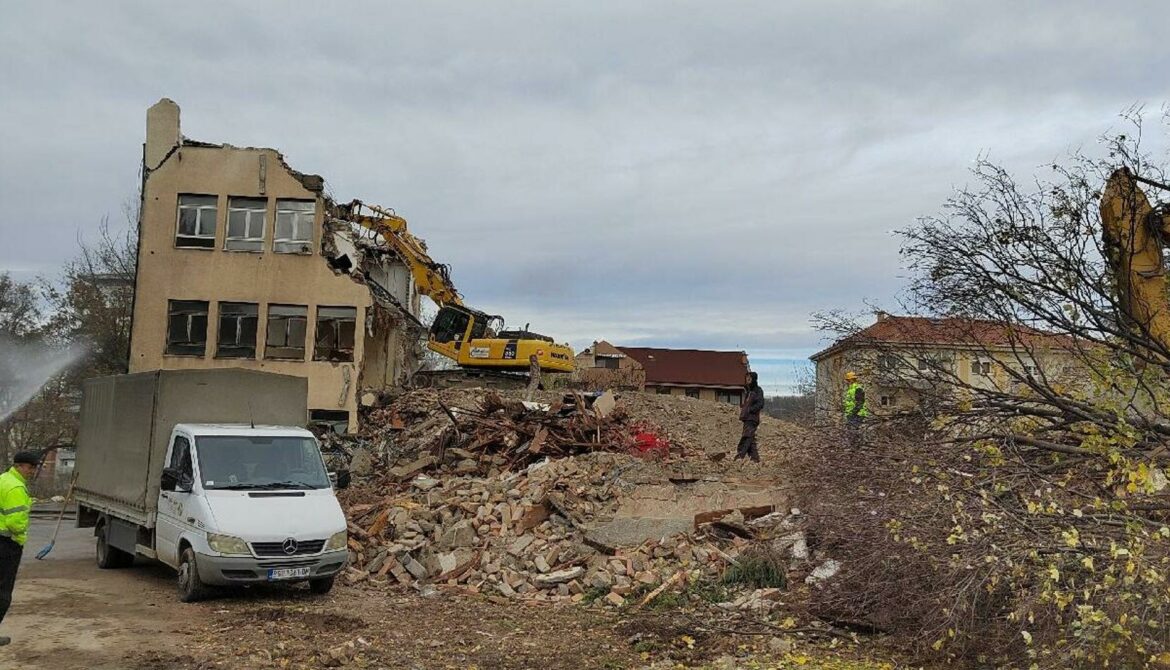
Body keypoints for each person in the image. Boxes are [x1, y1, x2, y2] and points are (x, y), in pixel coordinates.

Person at [0, 451, 39, 646]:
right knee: (3, 592)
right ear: (20, 466)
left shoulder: (3, 479)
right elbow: (15, 522)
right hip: (7, 545)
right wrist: (20, 535)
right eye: (31, 467)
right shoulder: (15, 487)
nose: (32, 471)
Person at [735, 371, 765, 463]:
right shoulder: (748, 391)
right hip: (747, 418)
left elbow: (760, 403)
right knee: (750, 438)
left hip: (752, 418)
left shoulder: (757, 390)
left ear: (753, 380)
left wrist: (750, 410)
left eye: (749, 379)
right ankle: (755, 459)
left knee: (747, 436)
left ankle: (740, 455)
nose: (747, 380)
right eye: (746, 379)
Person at [843, 371, 868, 447]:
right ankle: (855, 446)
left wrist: (854, 412)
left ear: (851, 380)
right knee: (852, 430)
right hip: (852, 413)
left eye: (848, 380)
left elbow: (860, 402)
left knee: (854, 430)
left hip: (857, 413)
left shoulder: (857, 389)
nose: (847, 382)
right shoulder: (851, 389)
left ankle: (856, 446)